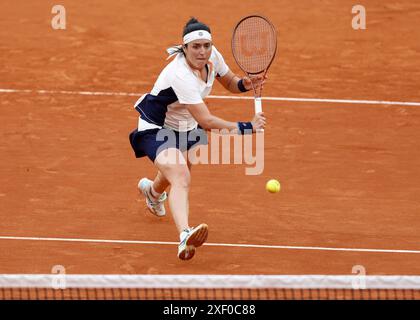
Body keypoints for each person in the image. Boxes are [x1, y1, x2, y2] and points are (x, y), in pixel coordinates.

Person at [129, 17, 266, 260]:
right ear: (184, 48)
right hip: (156, 127)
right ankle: (184, 235)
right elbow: (208, 122)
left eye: (206, 45)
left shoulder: (212, 57)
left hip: (186, 125)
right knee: (181, 174)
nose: (202, 51)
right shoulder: (179, 74)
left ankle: (152, 193)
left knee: (175, 173)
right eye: (196, 47)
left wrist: (246, 83)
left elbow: (230, 82)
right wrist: (247, 127)